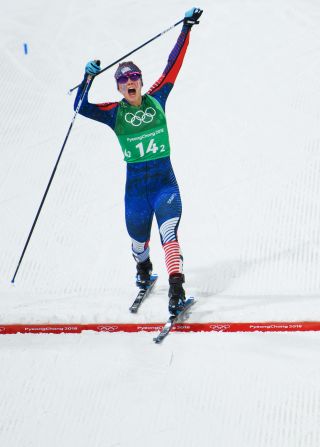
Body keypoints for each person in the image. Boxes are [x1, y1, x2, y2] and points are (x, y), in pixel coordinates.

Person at [74, 7, 203, 315]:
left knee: (169, 234)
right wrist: (87, 78)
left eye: (134, 77)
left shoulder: (157, 99)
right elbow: (80, 105)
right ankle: (143, 270)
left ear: (141, 82)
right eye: (124, 79)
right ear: (118, 87)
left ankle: (176, 288)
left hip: (163, 185)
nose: (130, 82)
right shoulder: (113, 113)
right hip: (135, 193)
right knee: (138, 243)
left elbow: (173, 64)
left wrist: (185, 28)